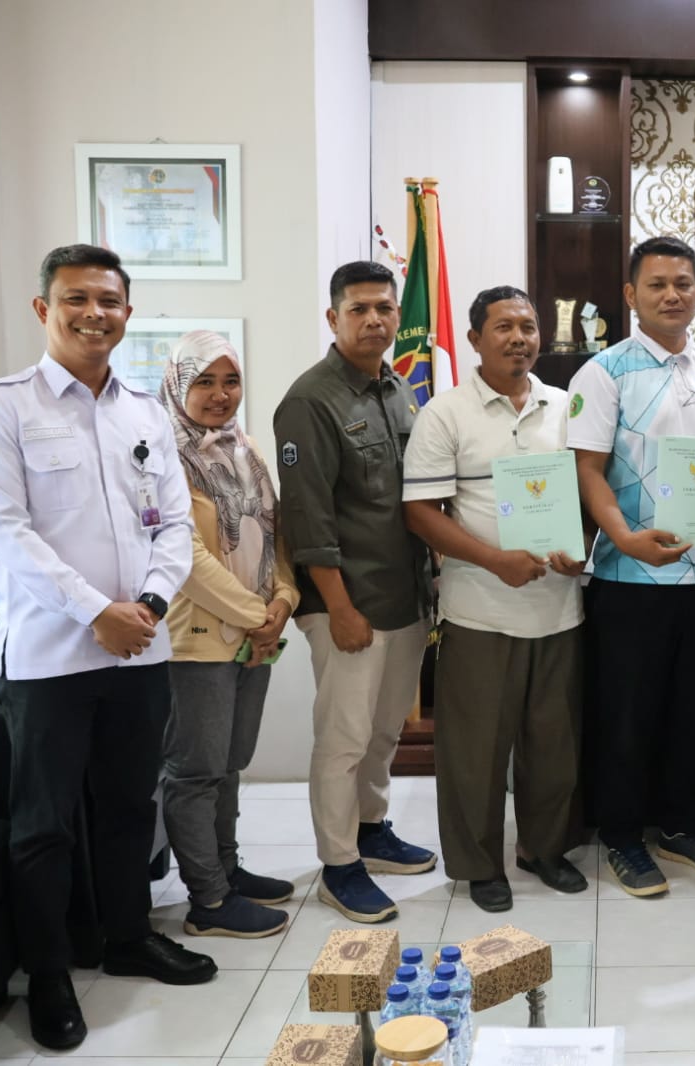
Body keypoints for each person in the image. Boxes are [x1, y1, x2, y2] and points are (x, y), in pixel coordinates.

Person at [0, 244, 216, 1051]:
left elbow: (174, 525)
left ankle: (128, 936)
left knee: (129, 807)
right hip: (47, 657)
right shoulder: (2, 405)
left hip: (138, 651)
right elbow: (8, 529)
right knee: (44, 826)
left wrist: (145, 606)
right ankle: (48, 973)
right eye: (76, 298)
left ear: (127, 314)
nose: (94, 313)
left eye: (108, 300)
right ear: (45, 309)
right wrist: (94, 610)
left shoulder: (144, 410)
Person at [568, 237, 695, 896]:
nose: (672, 295)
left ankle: (682, 826)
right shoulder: (604, 372)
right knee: (627, 713)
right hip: (631, 578)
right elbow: (587, 469)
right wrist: (624, 537)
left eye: (683, 283)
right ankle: (623, 836)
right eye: (657, 284)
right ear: (631, 295)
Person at [403, 286, 587, 913]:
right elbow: (420, 513)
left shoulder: (564, 407)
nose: (519, 338)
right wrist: (494, 561)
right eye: (504, 327)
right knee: (475, 753)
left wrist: (581, 547)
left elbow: (588, 495)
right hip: (479, 611)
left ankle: (543, 849)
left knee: (553, 746)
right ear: (475, 338)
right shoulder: (445, 414)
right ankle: (481, 864)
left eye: (528, 327)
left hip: (559, 611)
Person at [274, 260, 437, 923]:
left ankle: (371, 829)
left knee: (382, 732)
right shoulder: (310, 401)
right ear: (333, 318)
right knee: (343, 739)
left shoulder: (397, 390)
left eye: (384, 308)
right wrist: (338, 608)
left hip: (402, 598)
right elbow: (307, 518)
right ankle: (339, 864)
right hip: (347, 603)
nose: (374, 320)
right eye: (358, 309)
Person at [157, 331, 301, 937]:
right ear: (177, 385)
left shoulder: (245, 448)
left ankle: (227, 871)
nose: (220, 395)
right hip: (199, 639)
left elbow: (275, 533)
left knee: (229, 763)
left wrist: (284, 600)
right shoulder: (161, 455)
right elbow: (184, 557)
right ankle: (209, 902)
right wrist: (256, 614)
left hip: (255, 633)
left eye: (231, 381)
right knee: (196, 771)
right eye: (205, 382)